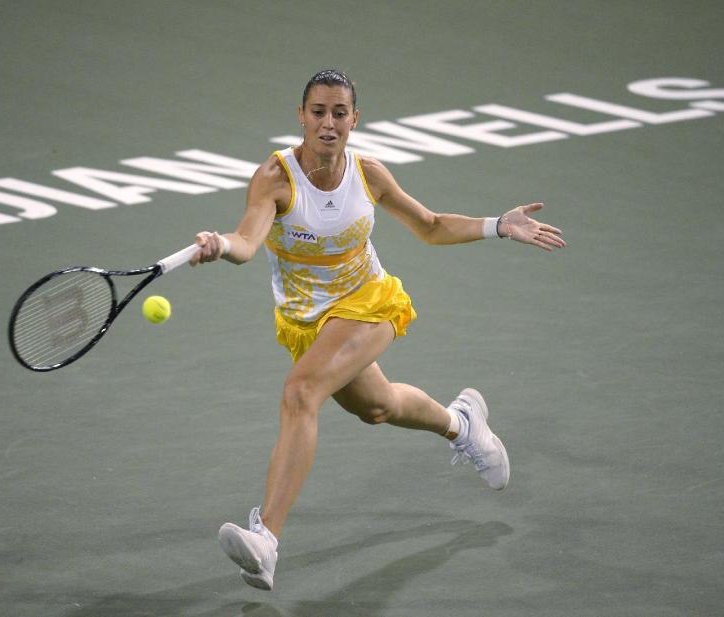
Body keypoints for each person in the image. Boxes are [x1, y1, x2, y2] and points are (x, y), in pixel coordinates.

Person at [188, 69, 565, 590]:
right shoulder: (275, 179)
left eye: (339, 113)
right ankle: (462, 424)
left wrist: (496, 225)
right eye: (317, 112)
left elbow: (430, 226)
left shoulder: (368, 174)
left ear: (354, 120)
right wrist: (221, 245)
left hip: (369, 302)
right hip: (306, 319)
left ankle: (266, 540)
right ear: (301, 116)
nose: (327, 123)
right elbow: (247, 241)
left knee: (301, 391)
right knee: (378, 406)